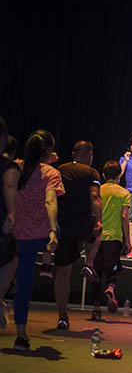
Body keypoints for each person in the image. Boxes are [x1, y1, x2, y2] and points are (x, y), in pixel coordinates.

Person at [12, 130, 63, 350]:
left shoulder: (15, 167)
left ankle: (20, 333)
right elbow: (50, 201)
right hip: (37, 237)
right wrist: (52, 231)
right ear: (49, 151)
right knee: (24, 286)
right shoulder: (51, 173)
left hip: (13, 235)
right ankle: (47, 262)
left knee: (17, 283)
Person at [54, 141, 103, 327]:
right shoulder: (91, 172)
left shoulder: (60, 169)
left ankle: (62, 316)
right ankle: (89, 263)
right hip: (83, 221)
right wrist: (99, 220)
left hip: (63, 223)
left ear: (74, 153)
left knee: (63, 273)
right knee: (97, 234)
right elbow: (95, 196)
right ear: (90, 154)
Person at [90, 160, 131, 320]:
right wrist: (128, 241)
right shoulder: (123, 193)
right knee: (113, 269)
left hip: (97, 236)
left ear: (103, 175)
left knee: (96, 272)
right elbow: (124, 216)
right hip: (114, 237)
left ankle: (95, 309)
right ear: (119, 175)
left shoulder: (98, 190)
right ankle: (111, 288)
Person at [0, 118, 20, 329]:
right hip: (2, 220)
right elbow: (9, 185)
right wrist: (12, 213)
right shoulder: (8, 166)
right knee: (10, 260)